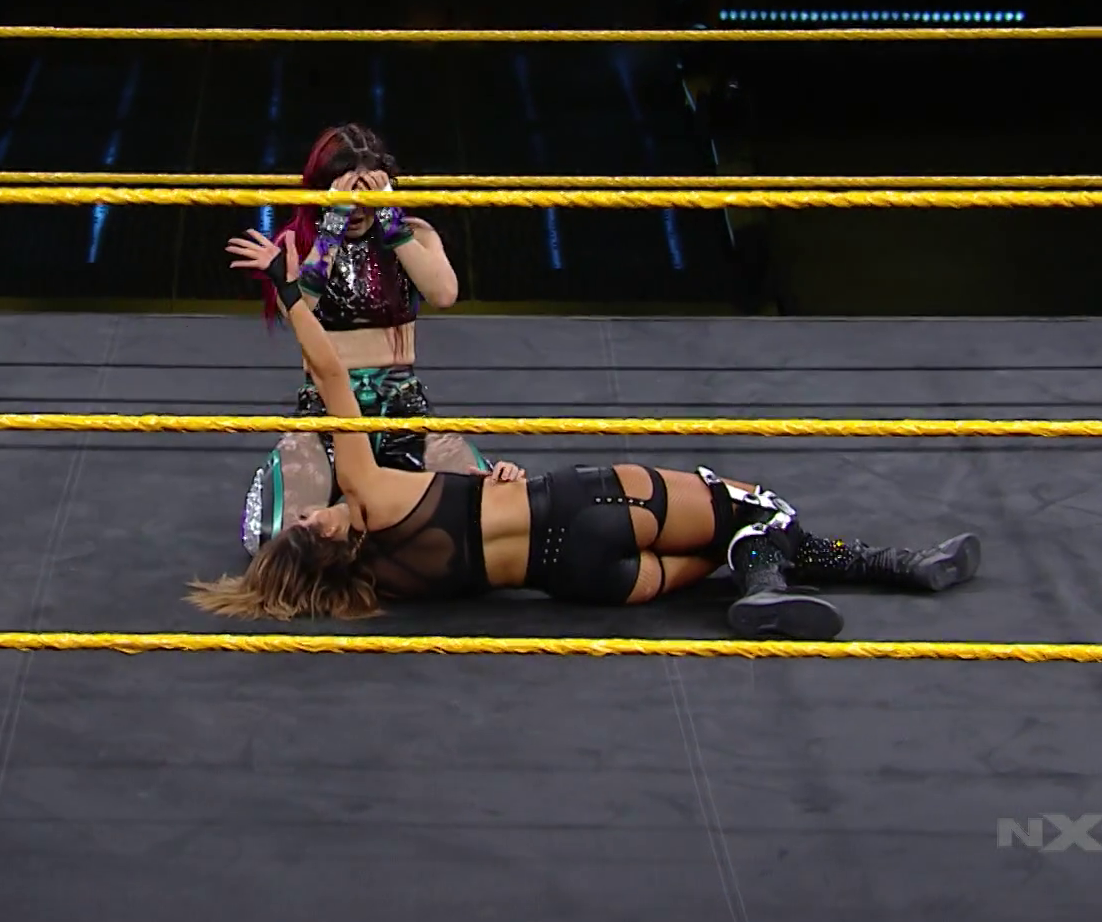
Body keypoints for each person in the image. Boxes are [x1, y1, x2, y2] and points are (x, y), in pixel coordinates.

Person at [196, 230, 982, 639]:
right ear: (323, 531)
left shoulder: (383, 583)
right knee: (751, 506)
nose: (308, 509)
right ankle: (794, 580)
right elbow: (333, 378)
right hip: (582, 506)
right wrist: (288, 289)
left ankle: (880, 569)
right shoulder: (366, 489)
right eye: (304, 521)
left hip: (581, 580)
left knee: (725, 547)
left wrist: (482, 482)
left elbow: (454, 527)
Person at [238, 123, 487, 558]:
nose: (355, 208)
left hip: (402, 408)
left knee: (484, 517)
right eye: (345, 194)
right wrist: (331, 228)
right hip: (326, 413)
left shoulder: (413, 234)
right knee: (276, 539)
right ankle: (364, 517)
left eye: (365, 192)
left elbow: (444, 294)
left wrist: (392, 222)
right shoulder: (299, 243)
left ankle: (360, 516)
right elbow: (299, 312)